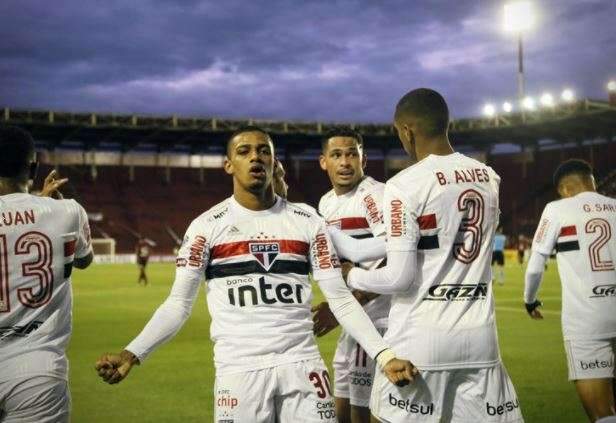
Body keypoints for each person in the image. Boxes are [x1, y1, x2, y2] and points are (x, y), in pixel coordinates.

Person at [95, 126, 416, 422]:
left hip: (303, 368)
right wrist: (132, 353)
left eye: (263, 150)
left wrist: (385, 356)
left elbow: (341, 301)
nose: (255, 157)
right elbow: (178, 305)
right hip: (240, 373)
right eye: (244, 151)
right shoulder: (207, 227)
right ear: (228, 165)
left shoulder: (307, 221)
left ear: (274, 161)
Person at [343, 89, 523, 422]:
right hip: (481, 338)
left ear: (407, 130)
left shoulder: (405, 183)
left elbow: (399, 276)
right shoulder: (489, 177)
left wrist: (351, 274)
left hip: (422, 337)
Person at [0, 126, 93, 422]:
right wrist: (45, 202)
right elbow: (83, 261)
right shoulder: (68, 211)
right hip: (36, 369)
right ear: (33, 167)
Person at [524, 159, 616, 422]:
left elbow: (535, 265)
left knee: (602, 413)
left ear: (563, 189)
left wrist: (530, 301)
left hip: (587, 321)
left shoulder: (557, 209)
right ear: (592, 182)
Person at [312, 129, 390, 423]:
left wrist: (341, 309)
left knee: (362, 414)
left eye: (351, 154)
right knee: (340, 412)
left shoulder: (375, 197)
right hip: (352, 322)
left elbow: (396, 265)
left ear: (363, 159)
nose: (345, 162)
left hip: (379, 324)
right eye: (336, 155)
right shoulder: (326, 203)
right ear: (324, 162)